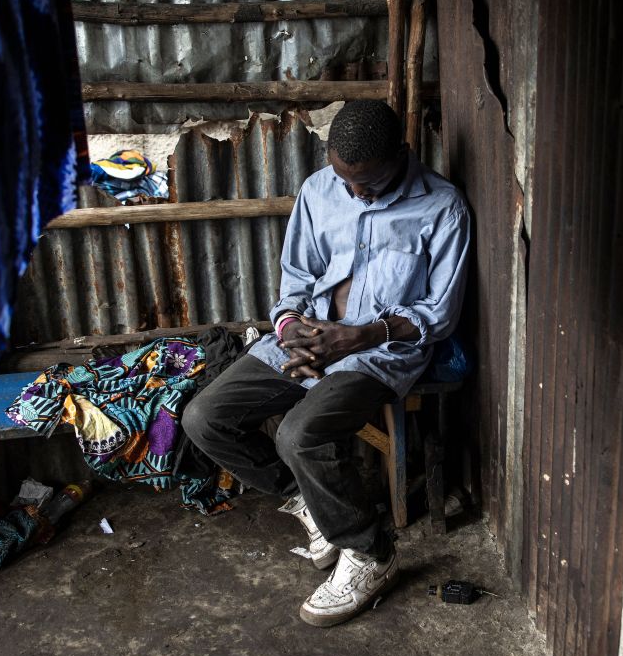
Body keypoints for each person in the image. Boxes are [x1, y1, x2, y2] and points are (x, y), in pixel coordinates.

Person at [181, 100, 470, 627]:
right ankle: (308, 501)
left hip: (379, 354)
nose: (355, 193)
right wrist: (293, 330)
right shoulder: (319, 190)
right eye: (346, 180)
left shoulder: (442, 207)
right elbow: (295, 279)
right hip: (306, 340)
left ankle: (371, 553)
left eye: (369, 183)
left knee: (299, 434)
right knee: (204, 418)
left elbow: (440, 313)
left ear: (402, 156)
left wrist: (360, 335)